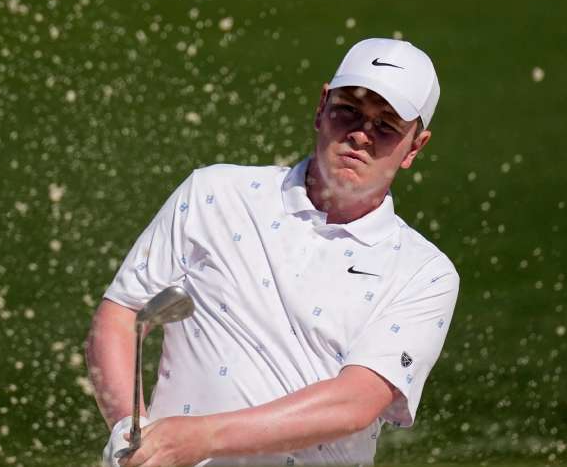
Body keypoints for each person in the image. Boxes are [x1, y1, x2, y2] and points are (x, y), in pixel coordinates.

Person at [86, 38, 460, 466]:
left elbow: (355, 402)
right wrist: (127, 429)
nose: (361, 134)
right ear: (321, 107)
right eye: (348, 110)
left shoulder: (424, 272)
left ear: (415, 146)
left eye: (386, 126)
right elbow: (120, 314)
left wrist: (201, 439)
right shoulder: (214, 193)